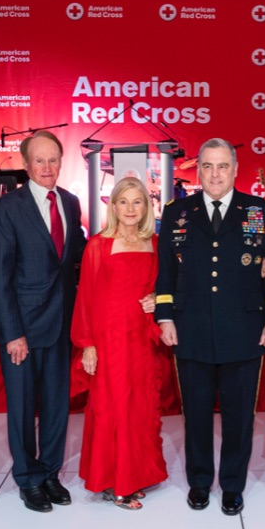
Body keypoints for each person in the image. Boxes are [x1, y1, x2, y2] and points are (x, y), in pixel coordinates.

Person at [155, 137, 265, 516]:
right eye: (208, 167)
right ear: (198, 171)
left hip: (244, 329)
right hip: (191, 328)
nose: (215, 174)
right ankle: (199, 483)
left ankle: (232, 485)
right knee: (195, 415)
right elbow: (166, 271)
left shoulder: (259, 210)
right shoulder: (177, 212)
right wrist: (165, 317)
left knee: (239, 416)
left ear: (235, 170)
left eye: (222, 166)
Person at [0, 130, 86, 512]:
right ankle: (27, 478)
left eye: (53, 160)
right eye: (39, 161)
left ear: (62, 163)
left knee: (56, 406)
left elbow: (77, 257)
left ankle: (49, 473)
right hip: (23, 330)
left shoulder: (71, 202)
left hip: (62, 324)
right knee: (22, 407)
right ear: (26, 165)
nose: (47, 168)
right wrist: (12, 333)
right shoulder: (7, 207)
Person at [70, 176, 166, 510]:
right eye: (123, 202)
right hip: (108, 339)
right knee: (113, 407)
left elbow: (162, 286)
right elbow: (86, 298)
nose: (130, 209)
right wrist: (88, 345)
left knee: (139, 407)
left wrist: (157, 298)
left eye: (137, 202)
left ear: (146, 206)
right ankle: (115, 482)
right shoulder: (98, 244)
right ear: (113, 206)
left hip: (142, 338)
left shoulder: (154, 242)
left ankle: (135, 475)